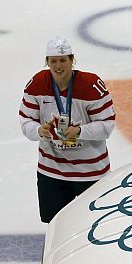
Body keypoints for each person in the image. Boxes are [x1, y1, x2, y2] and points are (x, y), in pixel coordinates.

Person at [19, 37, 116, 223]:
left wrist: (79, 132)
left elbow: (107, 125)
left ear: (72, 60)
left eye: (63, 60)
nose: (58, 65)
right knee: (56, 225)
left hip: (91, 172)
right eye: (53, 60)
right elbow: (26, 121)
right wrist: (40, 130)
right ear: (47, 62)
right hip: (52, 171)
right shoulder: (37, 84)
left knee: (95, 224)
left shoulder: (91, 85)